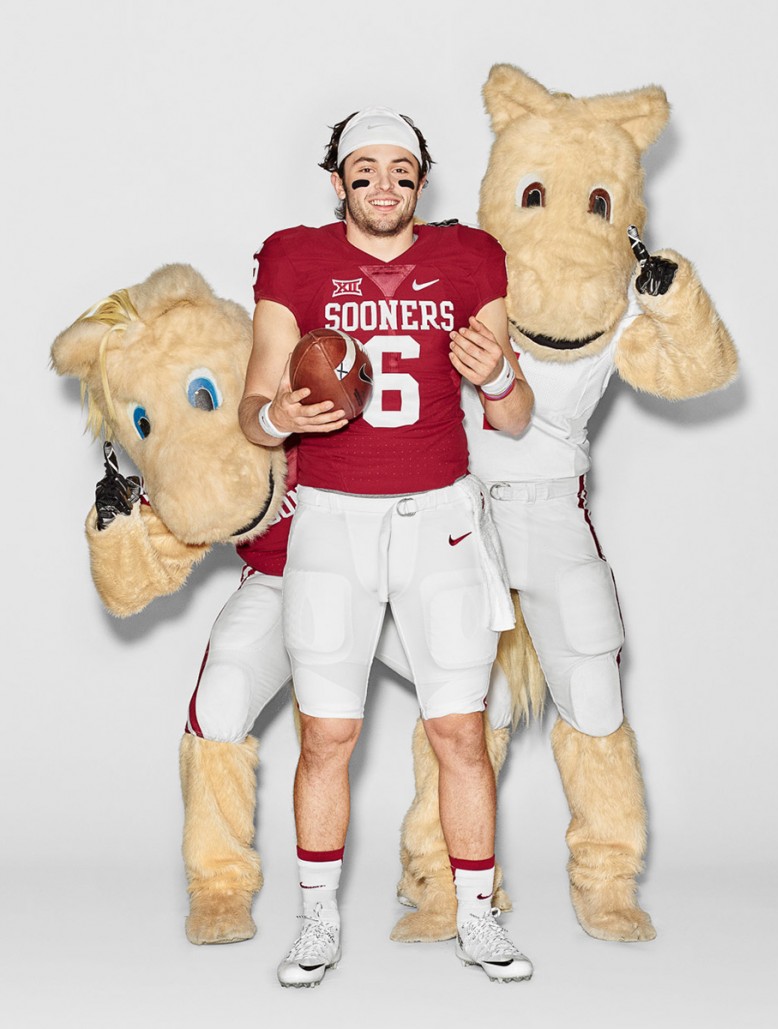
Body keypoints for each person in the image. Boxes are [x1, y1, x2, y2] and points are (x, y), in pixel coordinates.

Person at [239, 106, 534, 987]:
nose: (382, 188)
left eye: (399, 174)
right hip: (330, 520)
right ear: (337, 182)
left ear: (420, 182)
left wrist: (503, 375)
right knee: (327, 734)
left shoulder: (471, 256)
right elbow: (256, 412)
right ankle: (317, 917)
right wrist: (278, 418)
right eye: (363, 172)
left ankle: (479, 918)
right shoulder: (293, 255)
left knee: (460, 732)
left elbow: (513, 418)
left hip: (440, 519)